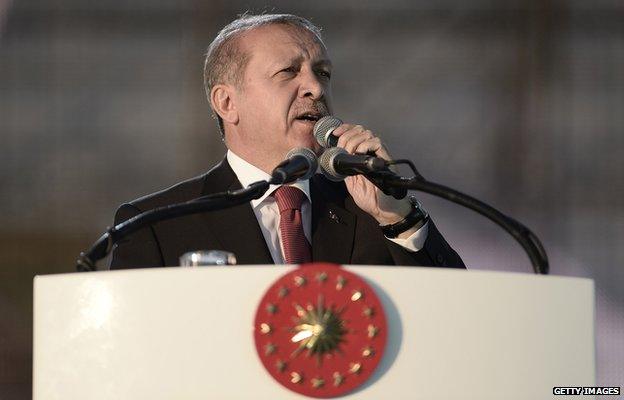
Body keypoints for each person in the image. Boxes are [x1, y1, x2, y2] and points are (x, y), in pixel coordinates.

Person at [110, 13, 464, 269]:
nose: (315, 88)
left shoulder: (372, 210)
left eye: (322, 73)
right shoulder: (155, 225)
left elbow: (456, 316)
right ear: (227, 103)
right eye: (288, 72)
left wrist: (397, 216)